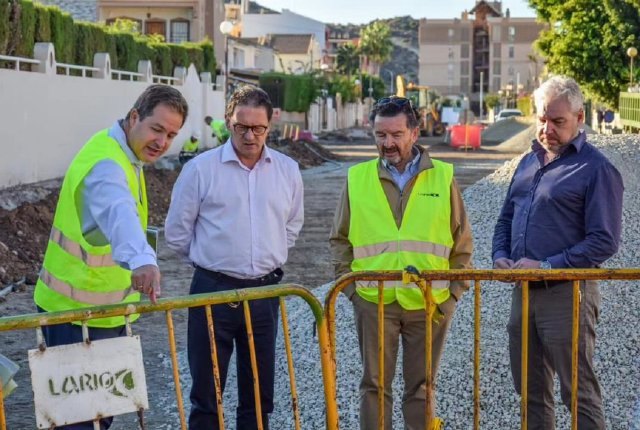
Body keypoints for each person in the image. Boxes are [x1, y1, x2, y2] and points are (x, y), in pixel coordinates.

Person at [34, 84, 189, 429]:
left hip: (103, 315)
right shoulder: (107, 162)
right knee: (78, 423)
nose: (163, 142)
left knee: (98, 419)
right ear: (135, 117)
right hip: (72, 318)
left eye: (172, 135)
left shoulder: (126, 156)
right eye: (157, 129)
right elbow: (117, 208)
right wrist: (142, 260)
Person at [329, 96, 473, 429]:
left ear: (414, 133)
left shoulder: (442, 177)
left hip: (429, 302)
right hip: (373, 301)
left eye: (396, 134)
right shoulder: (357, 178)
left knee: (421, 388)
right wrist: (353, 292)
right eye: (380, 135)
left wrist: (450, 298)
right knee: (374, 386)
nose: (388, 143)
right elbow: (339, 240)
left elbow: (461, 244)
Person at [165, 86, 304, 430]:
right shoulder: (200, 170)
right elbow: (178, 233)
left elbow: (292, 225)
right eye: (241, 126)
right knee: (207, 394)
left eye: (258, 128)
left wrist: (262, 262)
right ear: (229, 122)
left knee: (259, 396)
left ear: (270, 125)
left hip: (265, 294)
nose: (250, 135)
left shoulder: (287, 170)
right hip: (212, 291)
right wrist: (213, 265)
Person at [492, 76, 624, 430]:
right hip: (523, 294)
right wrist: (500, 256)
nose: (547, 128)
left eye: (558, 121)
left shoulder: (596, 169)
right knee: (531, 391)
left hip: (568, 294)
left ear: (580, 118)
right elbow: (505, 220)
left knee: (577, 393)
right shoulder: (527, 164)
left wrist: (549, 266)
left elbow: (605, 240)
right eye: (541, 119)